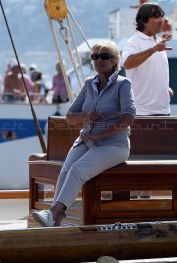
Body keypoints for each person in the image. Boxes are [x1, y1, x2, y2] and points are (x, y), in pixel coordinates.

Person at [33, 40, 135, 227]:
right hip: (86, 140)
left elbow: (129, 117)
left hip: (114, 145)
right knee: (64, 172)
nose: (98, 60)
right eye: (95, 56)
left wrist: (99, 135)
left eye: (104, 56)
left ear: (114, 61)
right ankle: (55, 221)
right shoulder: (89, 84)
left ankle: (53, 213)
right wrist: (86, 115)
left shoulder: (123, 84)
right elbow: (70, 117)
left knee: (77, 170)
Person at [121, 2, 173, 116]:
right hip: (141, 112)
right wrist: (153, 50)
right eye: (155, 16)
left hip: (164, 110)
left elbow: (153, 72)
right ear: (143, 21)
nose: (161, 20)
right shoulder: (133, 42)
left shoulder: (159, 42)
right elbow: (127, 64)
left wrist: (165, 89)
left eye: (161, 16)